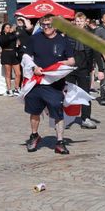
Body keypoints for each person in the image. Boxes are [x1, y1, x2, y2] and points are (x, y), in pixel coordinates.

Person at [22, 14, 75, 154]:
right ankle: (34, 136)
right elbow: (26, 56)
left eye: (49, 24)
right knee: (34, 112)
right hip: (37, 82)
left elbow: (72, 61)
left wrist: (61, 63)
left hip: (55, 84)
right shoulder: (35, 38)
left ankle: (60, 142)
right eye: (43, 24)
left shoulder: (64, 40)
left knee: (58, 113)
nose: (46, 27)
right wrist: (34, 67)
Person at [66, 12, 102, 130]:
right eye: (77, 21)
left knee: (85, 94)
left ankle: (85, 118)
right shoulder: (69, 33)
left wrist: (100, 69)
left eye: (81, 21)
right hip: (71, 67)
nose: (79, 23)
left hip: (84, 67)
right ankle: (66, 118)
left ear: (85, 21)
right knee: (69, 94)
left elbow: (96, 52)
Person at [0, 23, 19, 96]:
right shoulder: (1, 36)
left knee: (18, 73)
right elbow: (5, 41)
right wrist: (10, 33)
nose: (8, 28)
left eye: (9, 27)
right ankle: (9, 89)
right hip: (6, 54)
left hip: (14, 54)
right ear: (3, 29)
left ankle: (16, 89)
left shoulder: (14, 35)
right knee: (8, 73)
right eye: (7, 27)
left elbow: (17, 39)